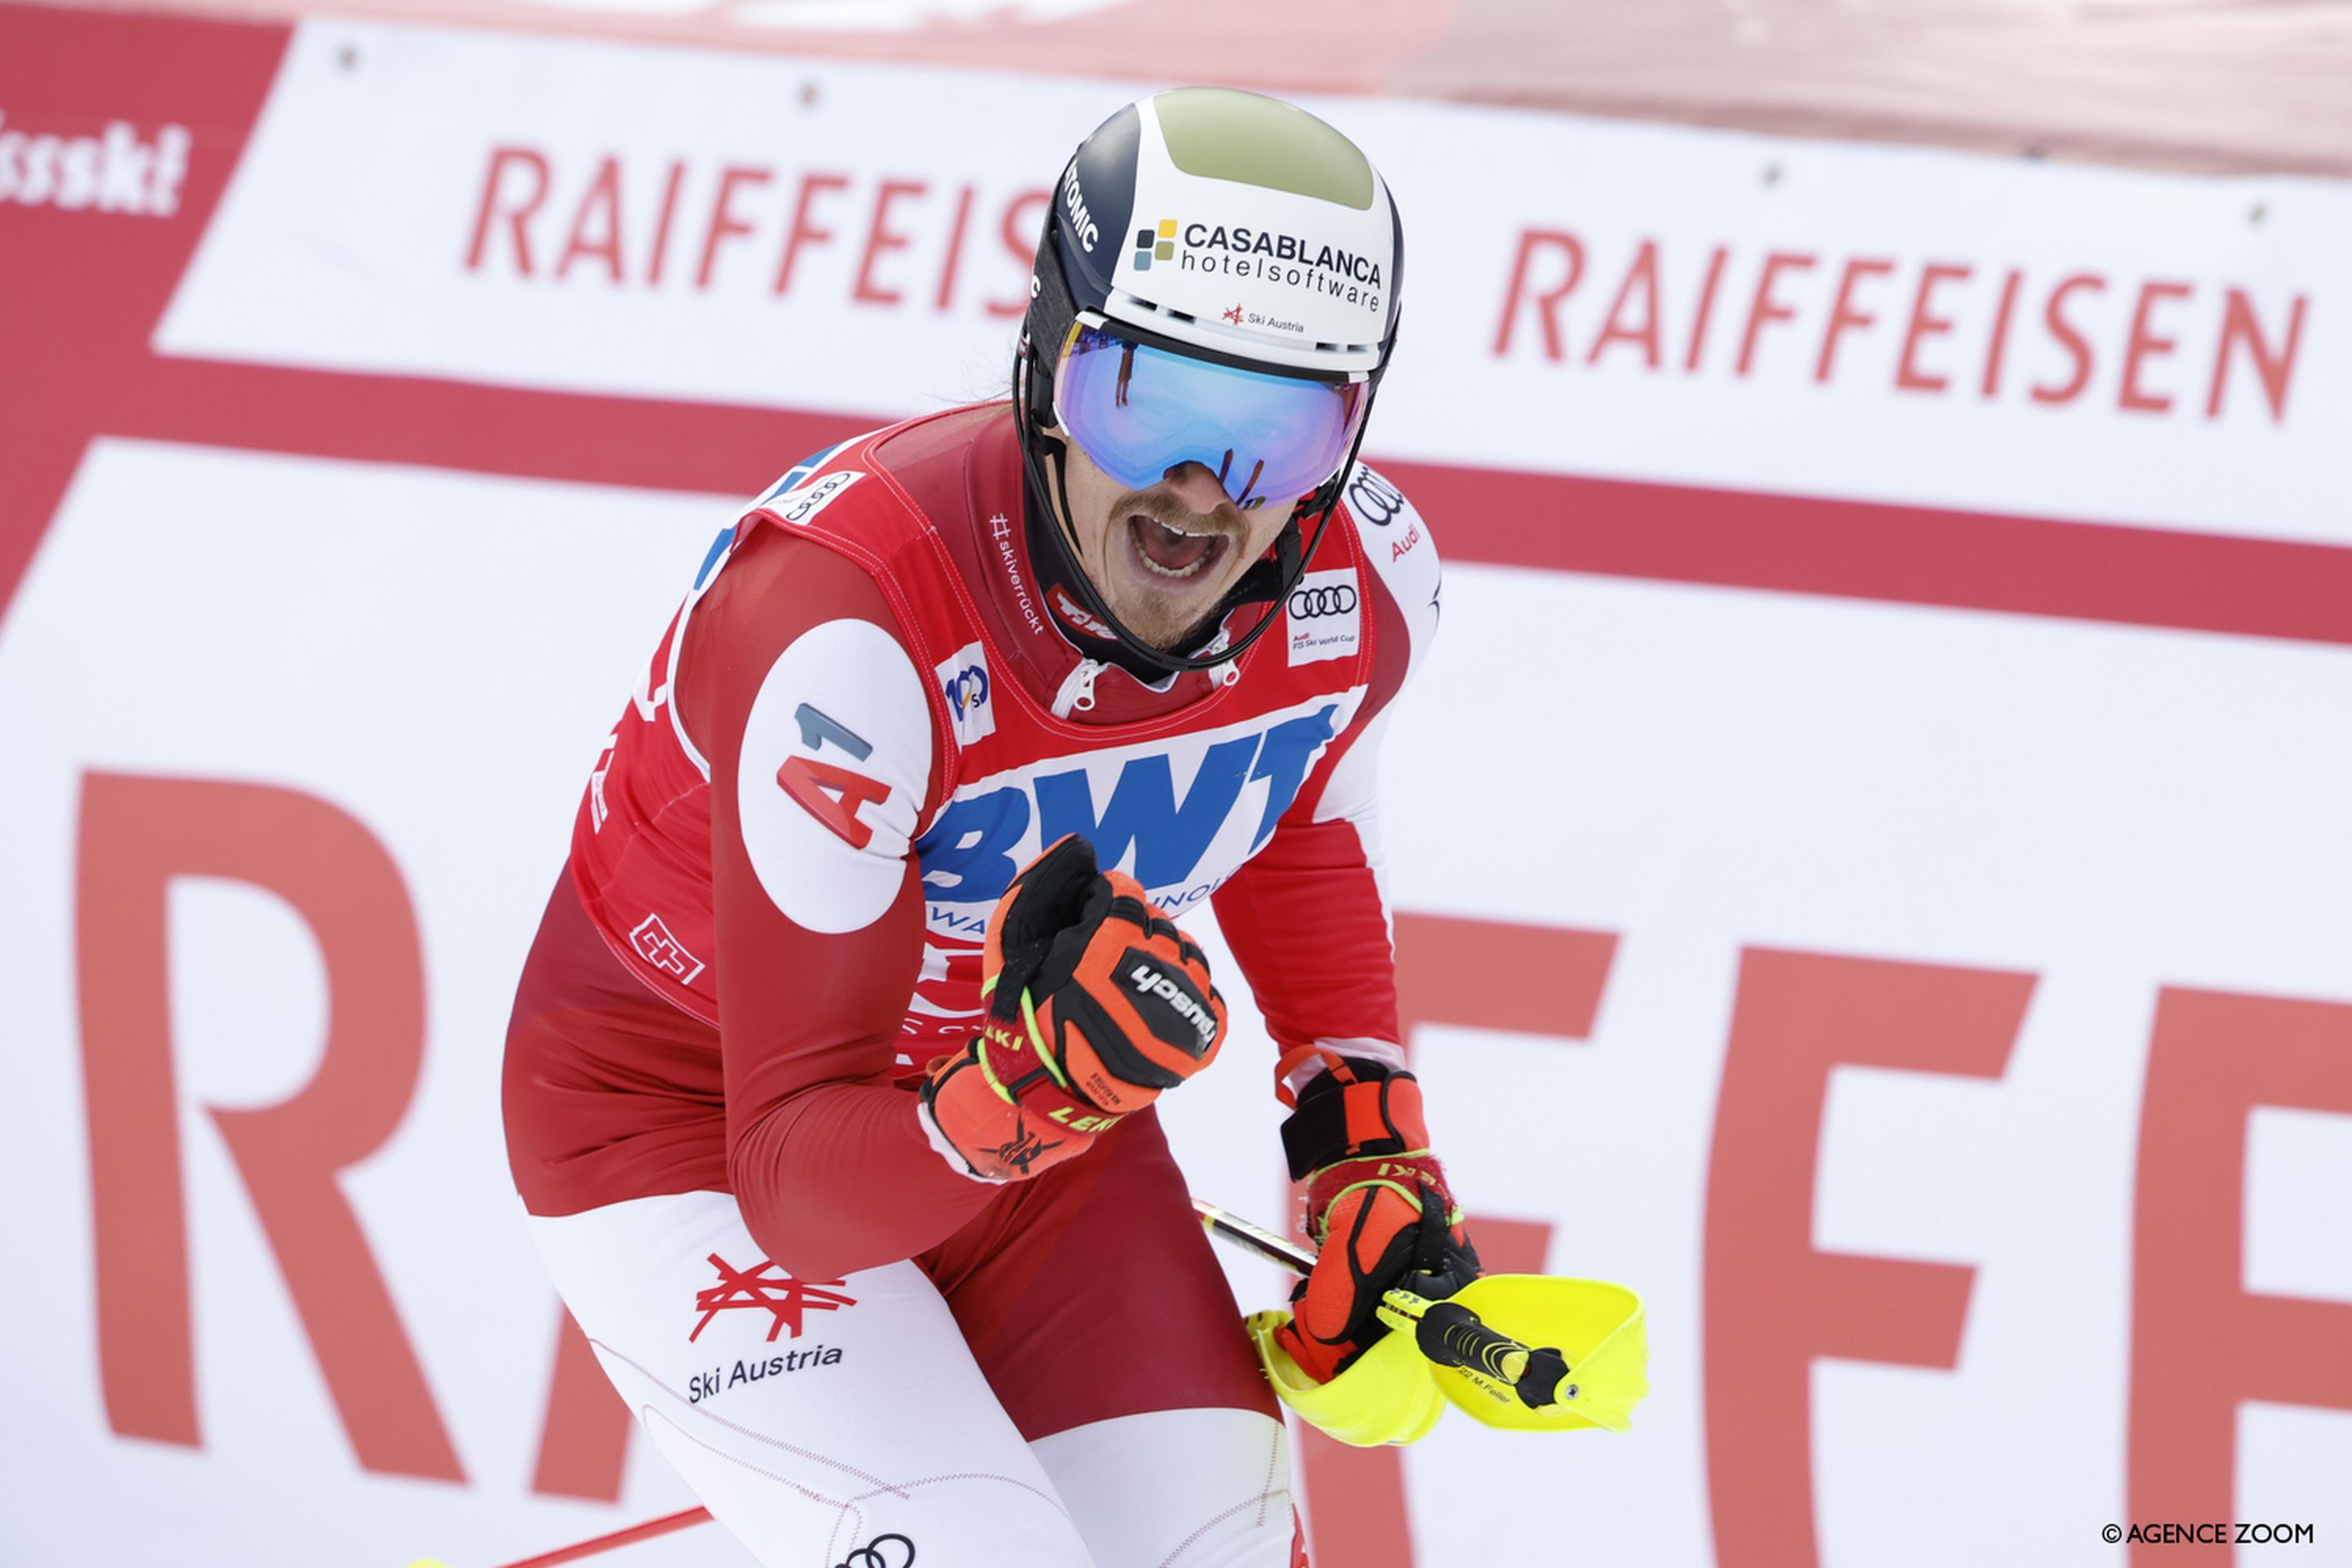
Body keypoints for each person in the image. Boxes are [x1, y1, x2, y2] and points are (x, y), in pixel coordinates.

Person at [502, 85, 1477, 1566]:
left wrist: (1362, 1146)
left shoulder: (1369, 582)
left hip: (1030, 1122)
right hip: (695, 1124)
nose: (1206, 494)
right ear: (1046, 364)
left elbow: (1295, 817)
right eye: (1148, 403)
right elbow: (792, 1183)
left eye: (1280, 429)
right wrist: (1017, 1095)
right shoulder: (849, 623)